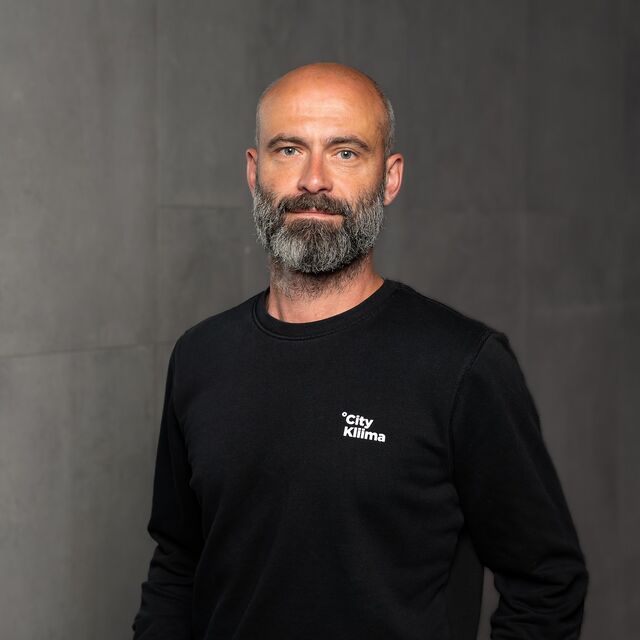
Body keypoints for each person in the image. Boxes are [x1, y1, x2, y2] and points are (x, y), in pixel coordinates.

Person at [132, 62, 588, 639]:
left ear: (389, 179)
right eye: (289, 150)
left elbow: (547, 583)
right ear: (254, 171)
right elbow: (178, 564)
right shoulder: (200, 357)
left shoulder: (461, 365)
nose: (314, 180)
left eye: (345, 153)